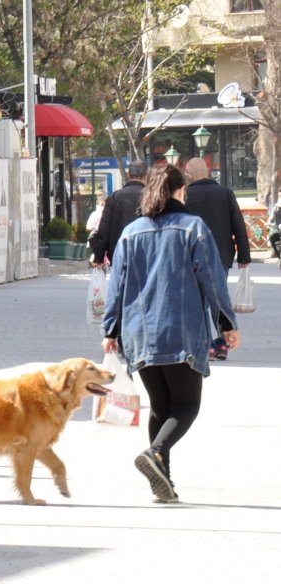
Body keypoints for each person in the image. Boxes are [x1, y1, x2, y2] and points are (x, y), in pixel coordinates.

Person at [101, 164, 239, 504]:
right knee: (187, 406)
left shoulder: (131, 232)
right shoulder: (193, 228)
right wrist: (227, 323)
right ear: (180, 191)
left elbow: (115, 286)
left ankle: (162, 480)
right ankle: (156, 452)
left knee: (160, 407)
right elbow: (212, 279)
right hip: (180, 331)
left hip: (138, 333)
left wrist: (110, 329)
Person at [184, 157, 251, 360]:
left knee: (197, 302)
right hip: (221, 255)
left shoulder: (186, 195)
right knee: (218, 298)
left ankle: (203, 345)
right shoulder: (225, 194)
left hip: (191, 256)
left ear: (189, 175)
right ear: (209, 171)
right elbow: (238, 225)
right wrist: (244, 256)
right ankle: (221, 344)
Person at [90, 160, 148, 267]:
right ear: (146, 176)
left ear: (128, 174)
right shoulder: (151, 196)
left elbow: (104, 228)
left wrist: (99, 257)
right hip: (146, 252)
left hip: (119, 253)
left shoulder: (115, 197)